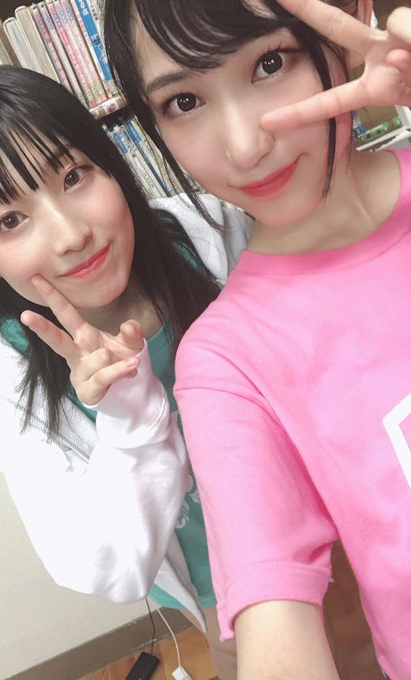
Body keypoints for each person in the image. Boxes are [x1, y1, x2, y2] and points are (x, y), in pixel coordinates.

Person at [0, 65, 252, 679]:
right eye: (9, 220)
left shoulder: (211, 232)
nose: (72, 234)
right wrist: (129, 417)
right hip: (217, 589)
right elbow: (110, 567)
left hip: (322, 515)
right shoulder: (1, 373)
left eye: (73, 176)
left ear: (108, 161)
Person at [103, 0, 411, 678]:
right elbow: (274, 616)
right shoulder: (225, 363)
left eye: (270, 63)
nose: (244, 145)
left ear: (346, 26)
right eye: (184, 102)